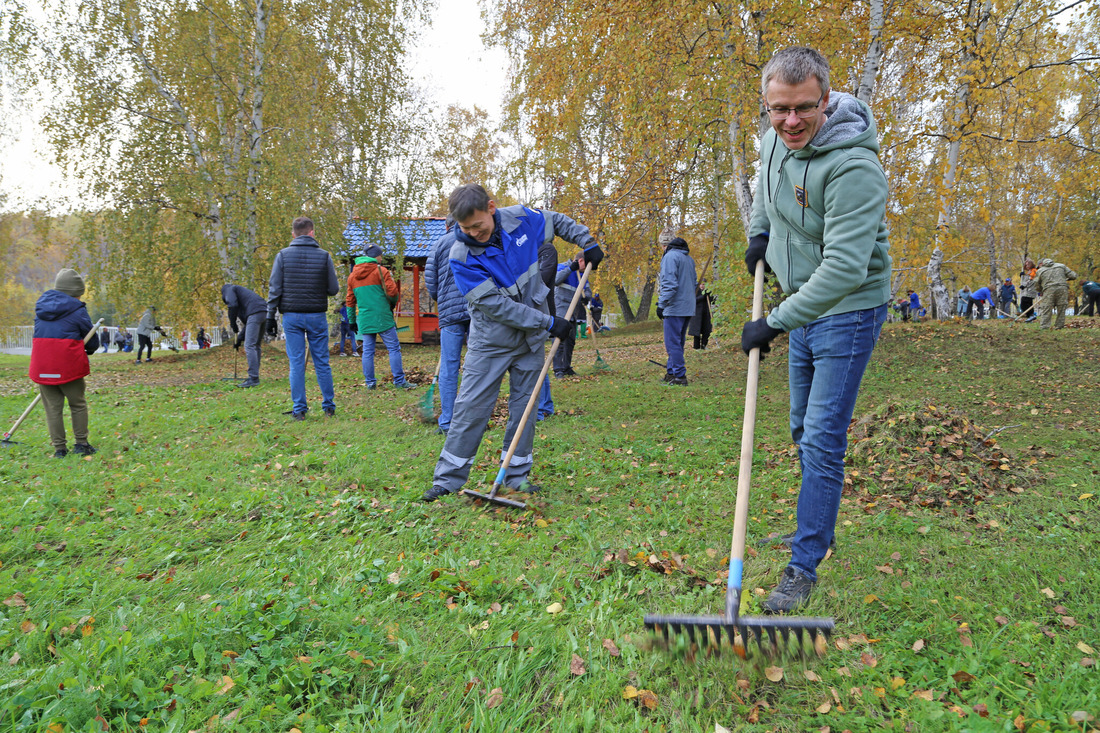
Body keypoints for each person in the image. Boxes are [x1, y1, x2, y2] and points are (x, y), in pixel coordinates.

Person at [741, 47, 892, 612]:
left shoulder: (855, 169)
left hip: (847, 310)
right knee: (804, 429)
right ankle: (816, 528)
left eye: (804, 108)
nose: (791, 121)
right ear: (767, 105)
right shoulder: (773, 139)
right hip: (801, 300)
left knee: (823, 439)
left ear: (826, 100)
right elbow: (766, 187)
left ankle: (805, 563)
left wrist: (773, 322)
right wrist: (760, 234)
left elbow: (846, 269)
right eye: (779, 110)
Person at [422, 183, 604, 502]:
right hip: (491, 342)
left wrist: (586, 241)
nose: (472, 233)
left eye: (477, 225)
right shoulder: (460, 255)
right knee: (471, 408)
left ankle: (516, 477)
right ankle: (447, 480)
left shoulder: (521, 220)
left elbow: (556, 220)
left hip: (530, 340)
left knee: (526, 407)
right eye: (465, 228)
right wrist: (549, 322)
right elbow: (498, 307)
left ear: (491, 208)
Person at [267, 215, 339, 419]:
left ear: (293, 234)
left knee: (296, 363)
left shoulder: (282, 255)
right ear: (312, 232)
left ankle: (299, 410)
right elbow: (333, 289)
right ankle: (329, 407)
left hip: (291, 316)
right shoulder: (324, 256)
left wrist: (270, 315)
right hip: (316, 314)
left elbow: (275, 289)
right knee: (322, 361)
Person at [29, 269, 100, 458]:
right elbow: (91, 341)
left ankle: (59, 449)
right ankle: (81, 444)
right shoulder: (78, 310)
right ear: (75, 292)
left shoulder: (40, 309)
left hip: (43, 365)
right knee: (77, 404)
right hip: (67, 366)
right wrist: (89, 349)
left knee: (52, 408)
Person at [425, 216, 471, 433]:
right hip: (476, 307)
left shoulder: (438, 245)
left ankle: (447, 421)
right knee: (477, 364)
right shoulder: (475, 238)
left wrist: (441, 299)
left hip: (449, 313)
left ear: (447, 225)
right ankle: (471, 417)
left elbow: (430, 282)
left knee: (449, 366)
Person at [346, 243, 411, 390]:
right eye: (381, 255)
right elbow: (393, 293)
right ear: (377, 256)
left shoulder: (352, 276)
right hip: (383, 317)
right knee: (394, 348)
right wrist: (391, 305)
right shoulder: (381, 271)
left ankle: (370, 383)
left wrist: (351, 321)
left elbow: (350, 301)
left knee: (368, 351)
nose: (381, 258)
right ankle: (399, 381)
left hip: (365, 318)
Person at [656, 237, 697, 384]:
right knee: (678, 343)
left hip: (674, 308)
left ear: (665, 245)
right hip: (688, 307)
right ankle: (671, 372)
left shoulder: (670, 257)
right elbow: (694, 283)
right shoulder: (689, 259)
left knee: (672, 343)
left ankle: (679, 375)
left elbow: (669, 284)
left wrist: (661, 304)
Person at [222, 283, 268, 388]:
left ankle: (253, 378)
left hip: (256, 312)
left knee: (250, 345)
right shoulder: (244, 300)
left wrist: (232, 323)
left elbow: (232, 305)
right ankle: (254, 376)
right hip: (264, 311)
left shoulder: (229, 289)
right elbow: (248, 325)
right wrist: (239, 339)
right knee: (256, 345)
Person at [552, 256, 589, 377]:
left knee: (570, 340)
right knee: (559, 340)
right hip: (561, 309)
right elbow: (556, 280)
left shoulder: (583, 274)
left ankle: (566, 367)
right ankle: (558, 369)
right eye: (587, 264)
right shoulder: (562, 267)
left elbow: (587, 289)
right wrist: (570, 269)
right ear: (580, 261)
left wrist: (587, 297)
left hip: (574, 311)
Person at [536, 230, 558, 420]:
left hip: (541, 310)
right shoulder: (529, 249)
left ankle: (543, 407)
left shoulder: (547, 249)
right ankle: (542, 405)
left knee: (535, 359)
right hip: (528, 310)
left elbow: (542, 279)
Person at [1035, 257, 1077, 329]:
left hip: (1048, 289)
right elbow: (1073, 275)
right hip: (1062, 288)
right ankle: (1059, 326)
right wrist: (1066, 278)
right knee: (1061, 307)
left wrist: (1041, 290)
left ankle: (1044, 326)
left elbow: (1036, 283)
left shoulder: (1040, 271)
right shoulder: (1061, 266)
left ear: (1041, 264)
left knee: (1046, 307)